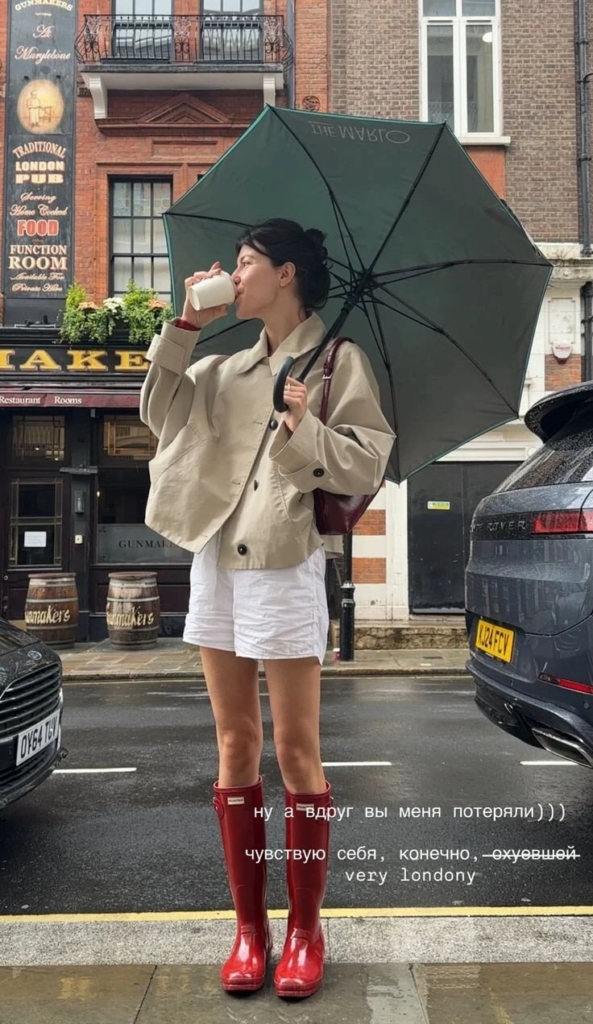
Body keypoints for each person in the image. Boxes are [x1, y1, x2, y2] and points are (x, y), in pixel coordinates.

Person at [139, 218, 395, 999]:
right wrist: (184, 325)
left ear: (285, 274)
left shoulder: (337, 361)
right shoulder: (220, 366)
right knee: (232, 743)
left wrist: (301, 426)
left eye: (245, 265)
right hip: (218, 556)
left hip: (282, 564)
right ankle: (248, 930)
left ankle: (304, 932)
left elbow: (368, 457)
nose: (233, 275)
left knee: (295, 754)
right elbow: (156, 411)